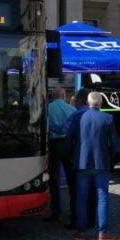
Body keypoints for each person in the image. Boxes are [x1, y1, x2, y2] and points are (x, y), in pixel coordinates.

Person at [72, 91, 117, 240]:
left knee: (81, 198)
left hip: (82, 162)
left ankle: (80, 231)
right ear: (101, 104)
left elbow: (69, 138)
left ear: (87, 102)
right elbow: (113, 144)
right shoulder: (108, 118)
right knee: (102, 197)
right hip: (101, 163)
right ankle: (103, 232)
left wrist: (73, 155)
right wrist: (108, 157)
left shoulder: (78, 116)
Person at [64, 89, 96, 230]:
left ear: (81, 100)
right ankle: (91, 220)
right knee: (93, 192)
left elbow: (67, 134)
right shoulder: (103, 116)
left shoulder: (76, 115)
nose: (74, 101)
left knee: (76, 192)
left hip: (78, 160)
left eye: (76, 99)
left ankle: (76, 221)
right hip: (96, 161)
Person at [45, 87, 74, 222]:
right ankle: (74, 209)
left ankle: (56, 211)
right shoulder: (71, 110)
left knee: (54, 179)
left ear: (52, 95)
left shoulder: (47, 109)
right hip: (68, 144)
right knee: (71, 178)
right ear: (63, 95)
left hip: (54, 144)